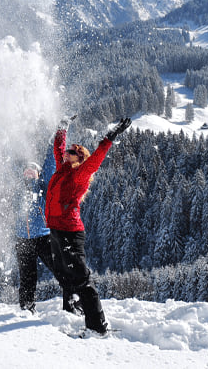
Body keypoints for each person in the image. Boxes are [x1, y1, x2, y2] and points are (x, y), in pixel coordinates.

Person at [45, 116, 131, 335]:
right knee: (64, 274)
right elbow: (58, 147)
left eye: (72, 152)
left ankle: (98, 326)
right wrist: (62, 127)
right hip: (55, 229)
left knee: (81, 278)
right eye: (67, 152)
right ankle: (77, 307)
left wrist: (110, 136)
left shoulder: (80, 174)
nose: (66, 154)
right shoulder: (62, 168)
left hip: (70, 232)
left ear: (79, 158)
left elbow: (97, 159)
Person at [14, 145, 65, 313]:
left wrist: (56, 140)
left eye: (33, 169)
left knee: (60, 268)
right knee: (27, 277)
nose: (29, 171)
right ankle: (27, 309)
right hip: (23, 240)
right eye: (26, 170)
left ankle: (73, 299)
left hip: (44, 237)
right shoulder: (17, 189)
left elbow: (51, 164)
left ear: (38, 174)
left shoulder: (43, 187)